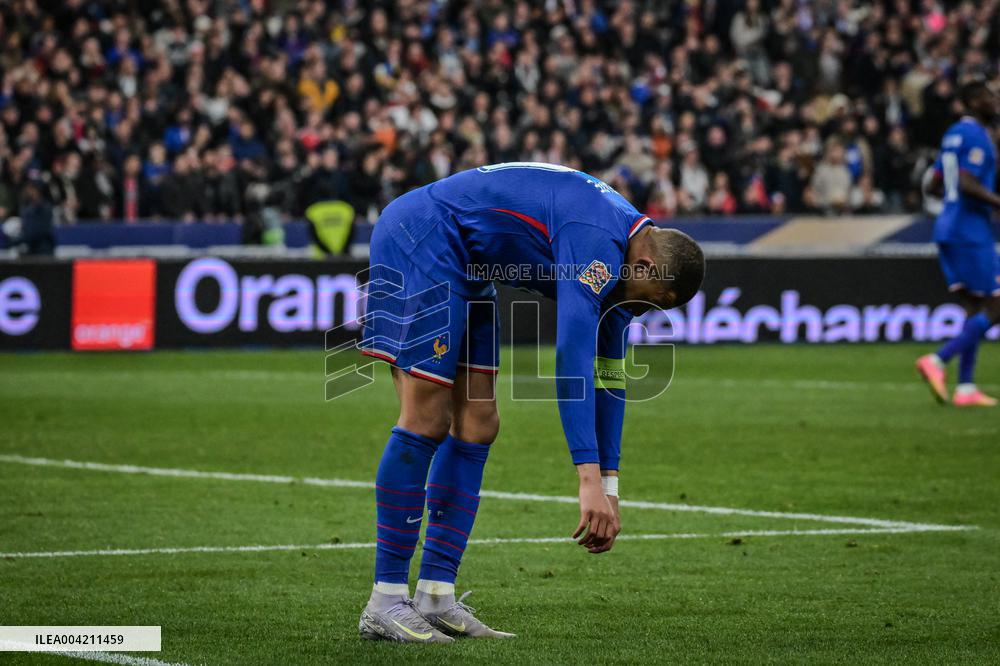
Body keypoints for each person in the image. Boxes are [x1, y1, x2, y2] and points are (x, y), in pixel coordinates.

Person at [356, 162, 705, 642]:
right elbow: (571, 357)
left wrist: (610, 486)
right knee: (427, 417)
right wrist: (586, 481)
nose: (644, 312)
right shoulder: (597, 242)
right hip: (424, 237)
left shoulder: (625, 260)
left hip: (469, 264)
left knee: (479, 422)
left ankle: (435, 595)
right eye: (653, 301)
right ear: (646, 267)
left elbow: (608, 378)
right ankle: (386, 599)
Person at [916, 81, 1000, 407]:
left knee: (976, 308)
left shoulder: (952, 134)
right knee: (996, 305)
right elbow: (965, 182)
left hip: (948, 226)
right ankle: (938, 360)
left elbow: (936, 184)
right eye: (989, 97)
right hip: (969, 230)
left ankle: (965, 388)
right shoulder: (976, 135)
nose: (995, 102)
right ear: (971, 102)